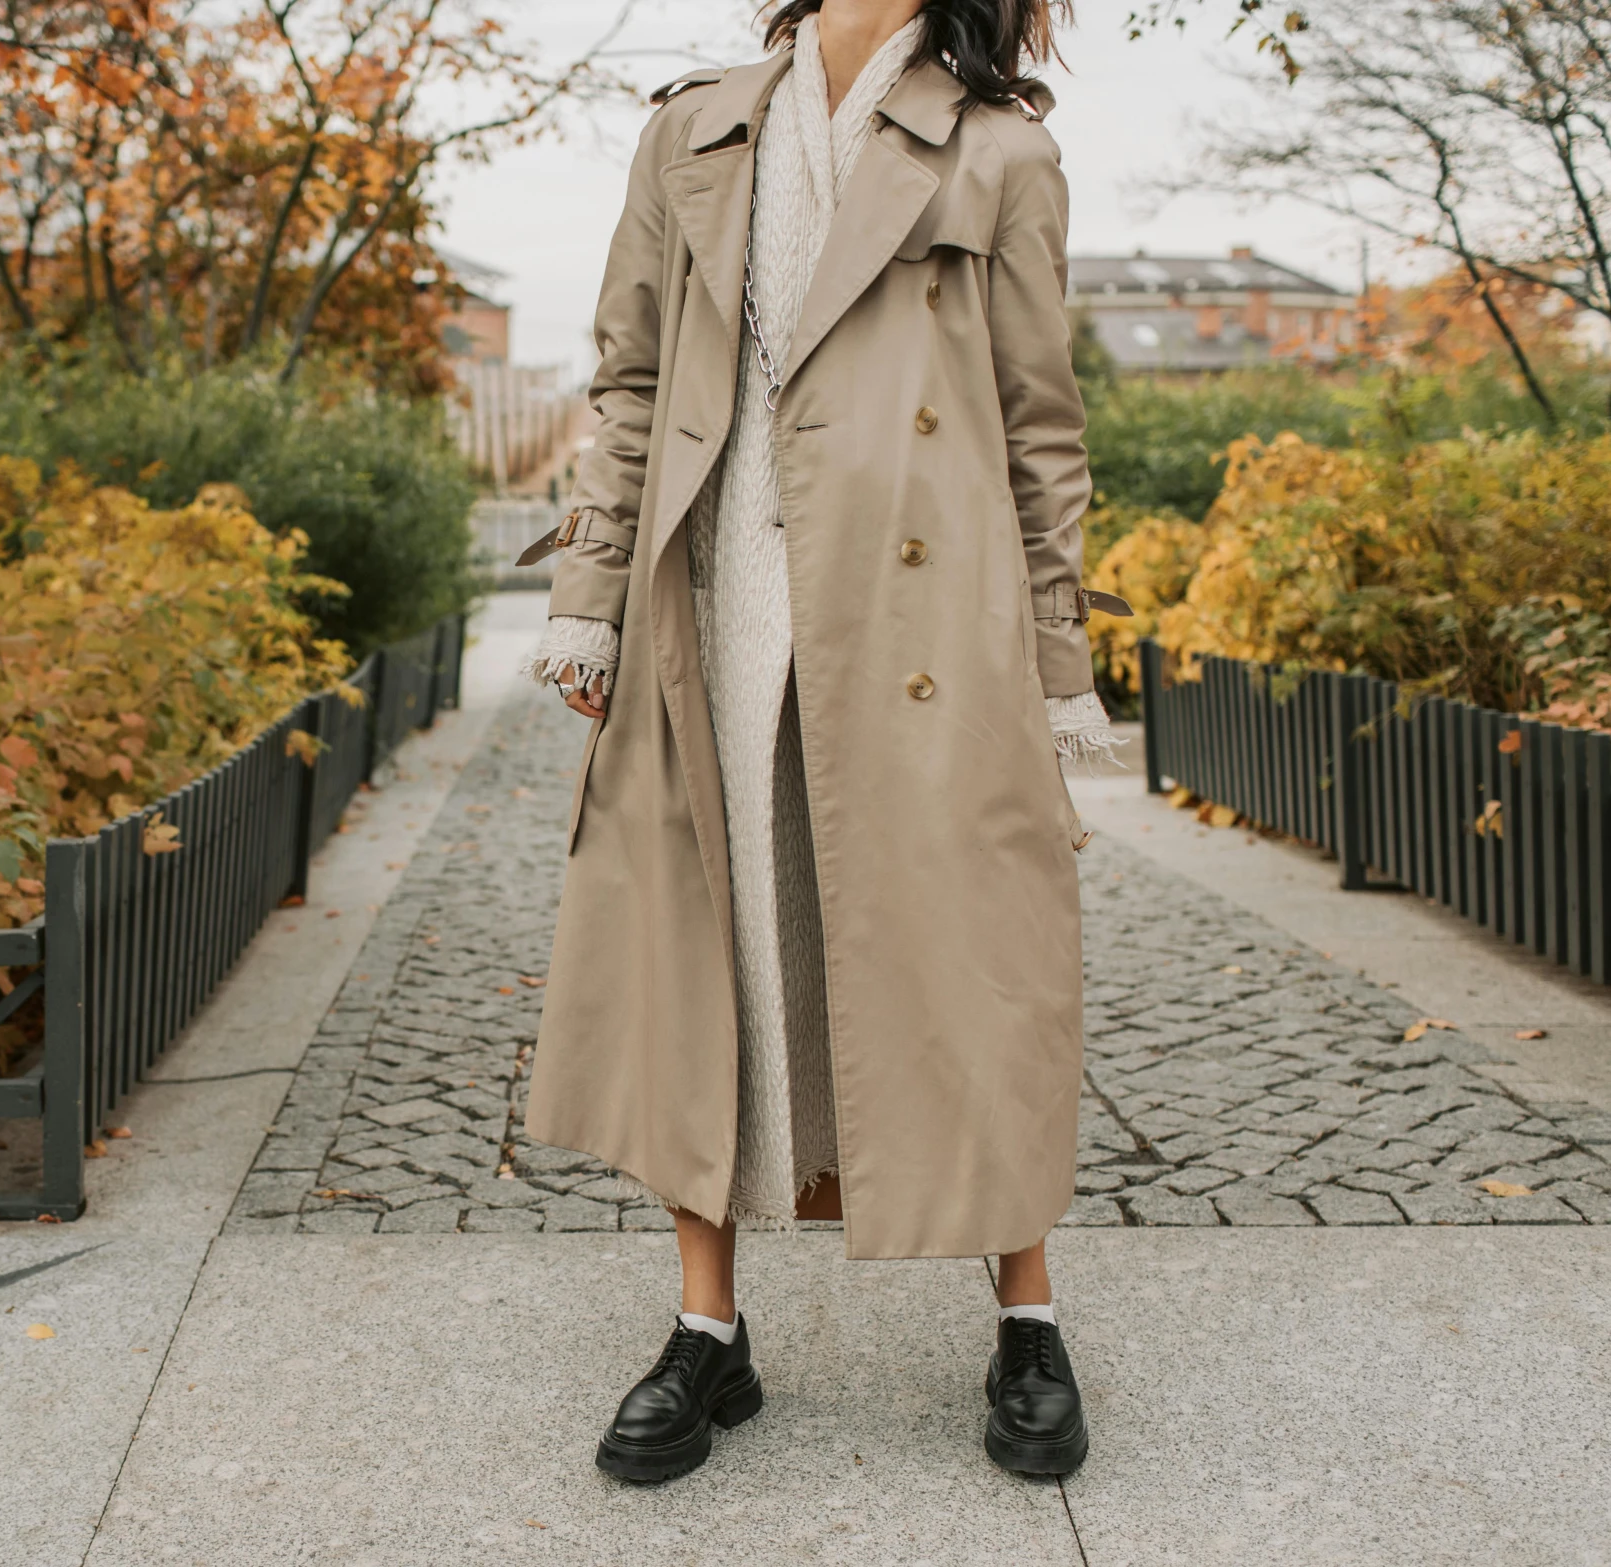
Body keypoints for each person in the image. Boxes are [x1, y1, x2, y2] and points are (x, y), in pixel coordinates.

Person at [517, 0, 1124, 1484]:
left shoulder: (993, 148)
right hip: (713, 593)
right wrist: (591, 596)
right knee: (699, 961)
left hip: (926, 622)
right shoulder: (695, 128)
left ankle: (1026, 1318)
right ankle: (705, 1333)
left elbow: (1040, 431)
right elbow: (631, 382)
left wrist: (1055, 669)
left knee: (975, 952)